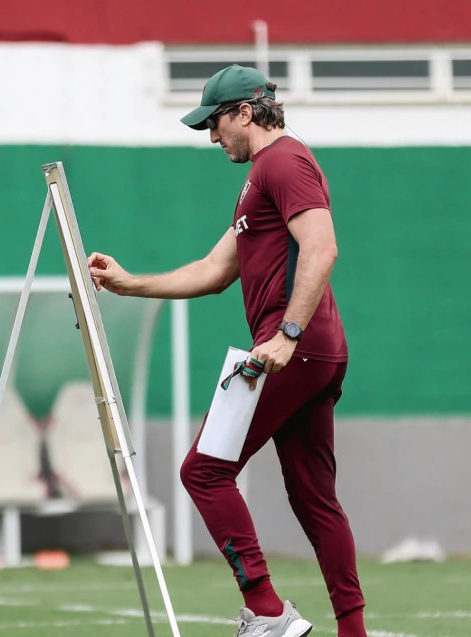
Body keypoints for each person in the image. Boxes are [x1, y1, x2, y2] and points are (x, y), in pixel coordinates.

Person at [87, 65, 365, 637]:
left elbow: (323, 247)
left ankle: (265, 610)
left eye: (215, 123)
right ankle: (352, 631)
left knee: (203, 471)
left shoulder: (283, 162)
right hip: (311, 349)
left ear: (245, 113)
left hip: (291, 347)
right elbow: (215, 271)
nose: (212, 137)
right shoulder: (263, 174)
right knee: (315, 500)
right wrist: (130, 283)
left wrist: (286, 336)